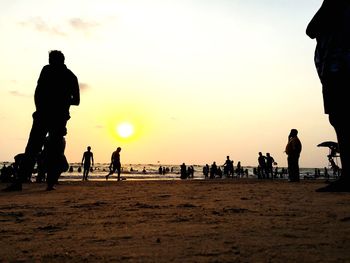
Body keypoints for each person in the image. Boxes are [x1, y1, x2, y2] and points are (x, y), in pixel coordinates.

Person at [3, 50, 80, 191]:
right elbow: (39, 93)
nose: (50, 63)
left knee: (38, 149)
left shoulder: (58, 73)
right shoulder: (58, 73)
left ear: (56, 60)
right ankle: (34, 182)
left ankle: (25, 182)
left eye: (51, 60)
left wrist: (57, 101)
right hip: (48, 117)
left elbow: (76, 100)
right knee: (41, 150)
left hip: (51, 117)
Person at [306, 0, 350, 191]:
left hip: (338, 68)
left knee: (341, 119)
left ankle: (348, 177)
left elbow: (311, 29)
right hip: (337, 66)